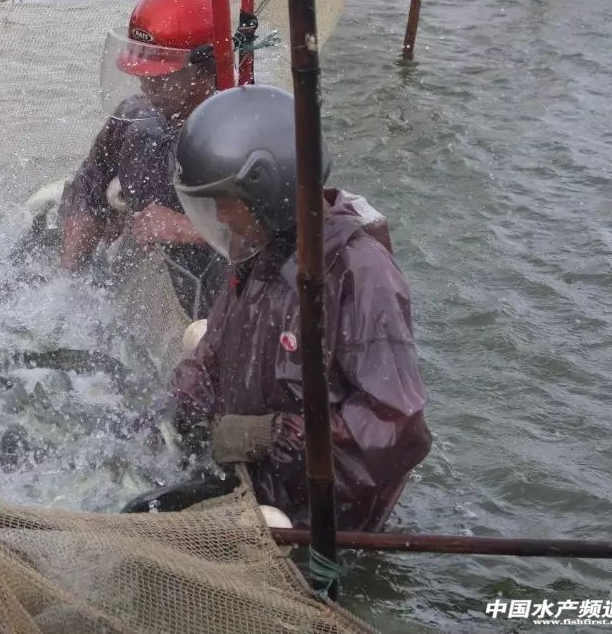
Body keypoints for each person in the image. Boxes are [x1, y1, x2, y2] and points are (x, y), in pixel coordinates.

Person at [167, 85, 431, 532]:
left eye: (225, 202)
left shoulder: (359, 274)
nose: (222, 217)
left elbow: (397, 428)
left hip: (322, 515)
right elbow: (217, 346)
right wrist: (179, 406)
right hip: (253, 478)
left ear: (268, 188)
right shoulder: (260, 246)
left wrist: (275, 436)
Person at [60, 0, 226, 318]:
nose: (146, 84)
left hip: (214, 301)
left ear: (204, 70)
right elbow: (89, 181)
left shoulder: (239, 135)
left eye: (162, 76)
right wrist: (78, 236)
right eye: (143, 73)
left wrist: (186, 228)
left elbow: (278, 230)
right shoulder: (134, 117)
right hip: (143, 284)